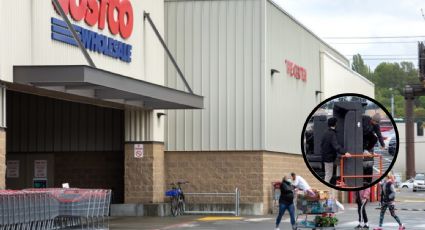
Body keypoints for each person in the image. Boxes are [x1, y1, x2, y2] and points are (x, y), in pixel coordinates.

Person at [320, 117, 351, 183]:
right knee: (328, 175)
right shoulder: (332, 134)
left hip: (327, 156)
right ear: (335, 124)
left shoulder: (325, 132)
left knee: (339, 164)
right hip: (329, 158)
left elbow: (322, 145)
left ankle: (339, 180)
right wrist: (345, 152)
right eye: (336, 123)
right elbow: (336, 146)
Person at [362, 113, 385, 184]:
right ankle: (363, 149)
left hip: (367, 136)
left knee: (375, 138)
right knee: (363, 139)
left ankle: (366, 150)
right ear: (372, 119)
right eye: (374, 122)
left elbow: (379, 134)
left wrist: (382, 144)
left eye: (376, 123)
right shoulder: (365, 118)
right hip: (360, 133)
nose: (375, 124)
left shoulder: (376, 125)